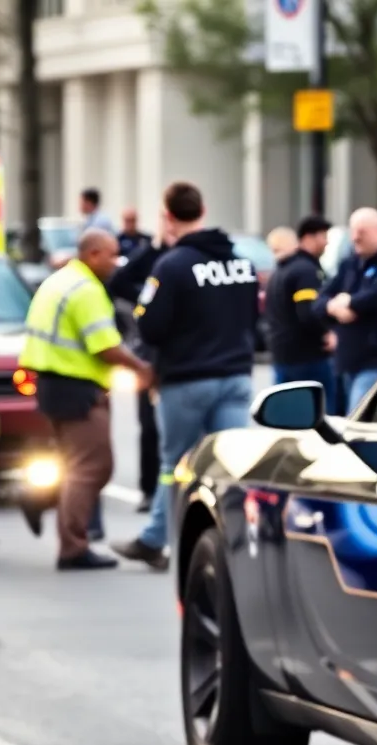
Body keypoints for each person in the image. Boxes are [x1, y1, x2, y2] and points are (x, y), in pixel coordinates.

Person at [111, 182, 258, 569]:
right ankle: (234, 539)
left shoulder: (172, 265)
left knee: (174, 464)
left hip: (187, 379)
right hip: (236, 376)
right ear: (203, 210)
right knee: (226, 465)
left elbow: (150, 326)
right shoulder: (240, 263)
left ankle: (156, 538)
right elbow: (253, 319)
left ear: (168, 216)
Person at [19, 228, 154, 571]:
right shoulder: (87, 291)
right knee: (93, 466)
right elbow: (105, 346)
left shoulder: (60, 280)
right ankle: (73, 547)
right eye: (111, 255)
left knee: (74, 464)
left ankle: (43, 501)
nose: (116, 262)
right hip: (76, 387)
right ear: (93, 254)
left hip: (52, 384)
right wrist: (142, 368)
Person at [314, 207, 377, 414]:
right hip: (346, 361)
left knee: (356, 421)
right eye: (353, 231)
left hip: (376, 360)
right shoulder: (349, 264)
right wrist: (333, 306)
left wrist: (349, 302)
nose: (355, 237)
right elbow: (319, 301)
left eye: (362, 232)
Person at [109, 212, 177, 513]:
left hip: (182, 355)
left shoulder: (190, 255)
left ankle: (176, 492)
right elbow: (118, 281)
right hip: (149, 354)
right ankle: (149, 490)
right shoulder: (151, 254)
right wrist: (145, 298)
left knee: (179, 433)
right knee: (148, 428)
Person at [264, 215, 337, 411]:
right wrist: (327, 333)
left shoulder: (279, 272)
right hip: (308, 357)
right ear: (308, 238)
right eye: (323, 236)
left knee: (287, 416)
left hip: (282, 355)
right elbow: (308, 312)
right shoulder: (305, 271)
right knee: (322, 415)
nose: (327, 241)